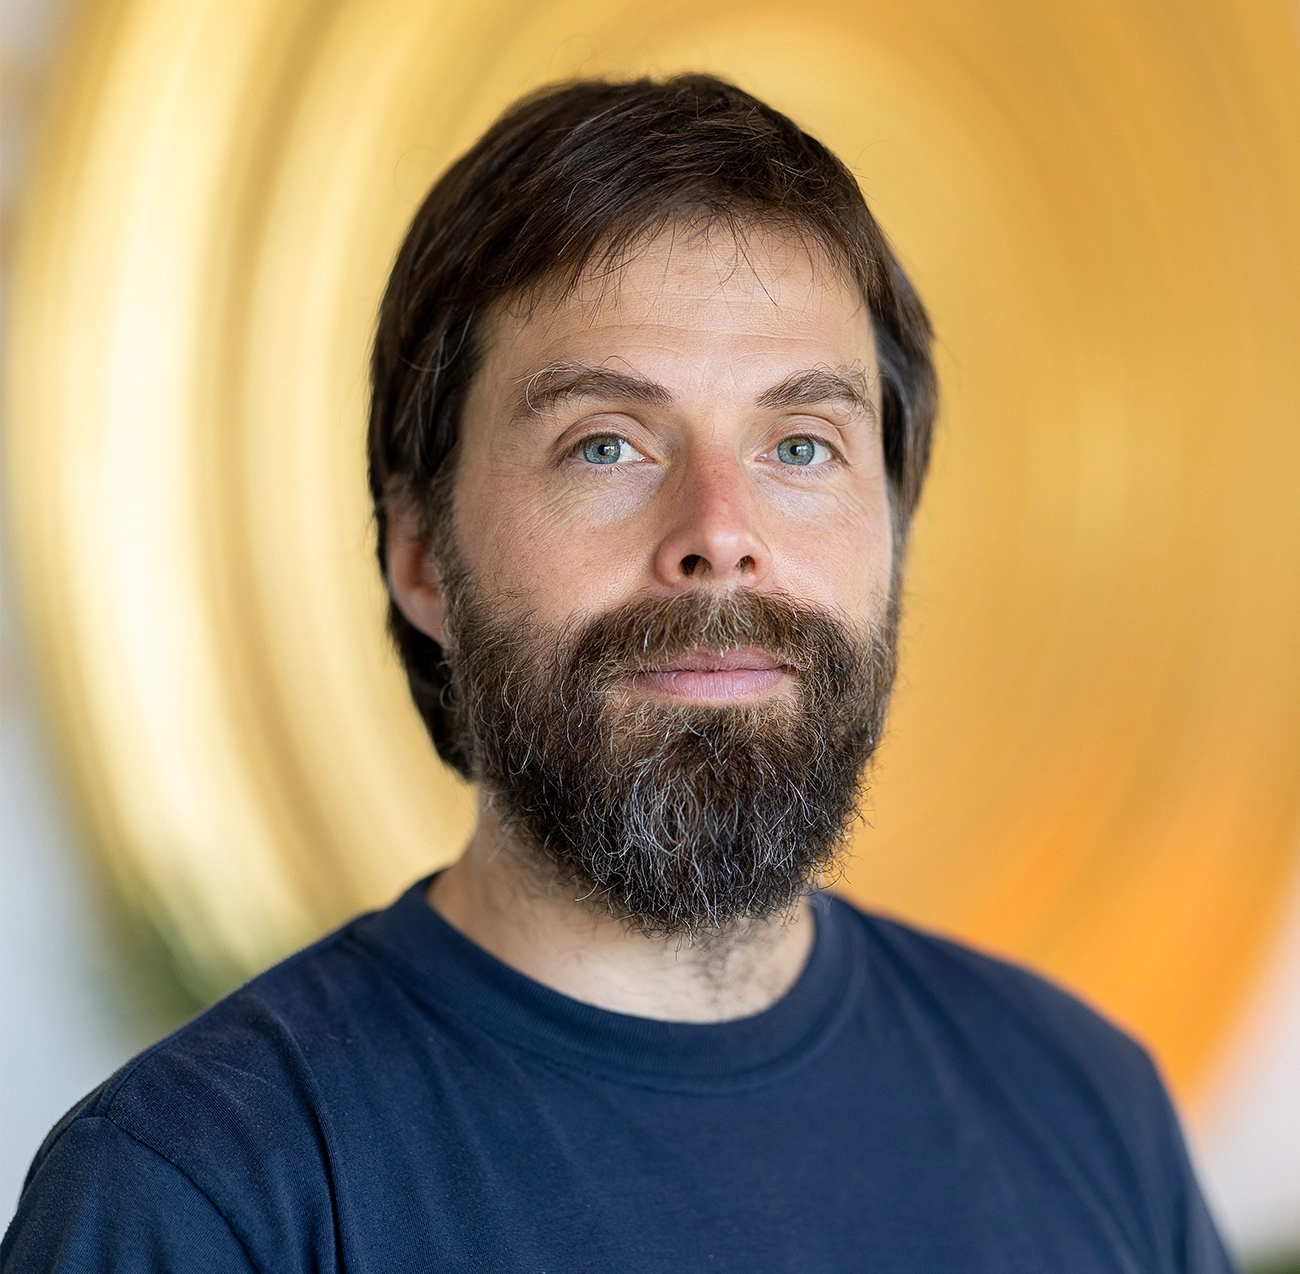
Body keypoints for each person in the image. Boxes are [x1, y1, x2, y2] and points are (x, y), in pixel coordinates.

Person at [2, 75, 1233, 1273]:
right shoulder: (203, 1192)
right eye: (606, 442)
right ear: (421, 554)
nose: (719, 529)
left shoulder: (1087, 1107)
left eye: (800, 442)